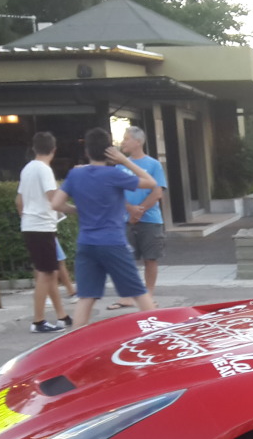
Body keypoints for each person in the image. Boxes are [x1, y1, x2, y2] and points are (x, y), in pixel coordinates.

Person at [50, 127, 157, 327]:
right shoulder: (114, 174)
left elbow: (56, 204)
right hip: (113, 243)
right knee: (138, 292)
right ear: (109, 151)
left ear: (87, 152)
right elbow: (150, 182)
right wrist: (125, 161)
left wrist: (77, 209)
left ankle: (76, 346)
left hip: (86, 243)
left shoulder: (75, 175)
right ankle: (160, 337)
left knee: (86, 297)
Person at [15, 131, 72, 334]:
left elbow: (19, 201)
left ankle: (61, 315)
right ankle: (38, 321)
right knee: (46, 273)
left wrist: (27, 218)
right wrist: (75, 209)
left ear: (34, 148)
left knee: (50, 271)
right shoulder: (44, 170)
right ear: (54, 150)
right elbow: (53, 198)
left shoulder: (27, 168)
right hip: (42, 226)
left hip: (31, 225)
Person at [109, 126, 167, 310]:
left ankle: (148, 294)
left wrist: (139, 210)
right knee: (126, 258)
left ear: (138, 142)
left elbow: (158, 191)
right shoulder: (120, 165)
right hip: (126, 219)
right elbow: (116, 192)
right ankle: (127, 296)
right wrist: (129, 209)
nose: (123, 142)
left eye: (126, 139)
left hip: (150, 219)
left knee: (151, 258)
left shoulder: (153, 165)